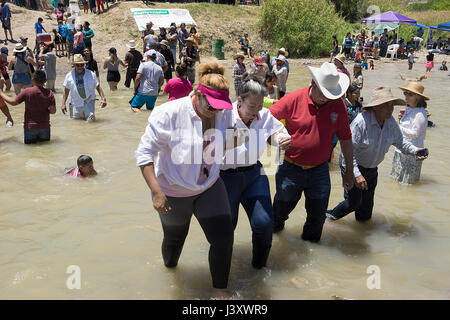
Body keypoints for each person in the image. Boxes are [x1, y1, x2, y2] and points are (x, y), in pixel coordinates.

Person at [134, 61, 237, 298]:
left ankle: (220, 292)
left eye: (221, 107)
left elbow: (228, 139)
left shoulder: (223, 110)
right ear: (197, 94)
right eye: (211, 106)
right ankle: (170, 275)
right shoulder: (168, 113)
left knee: (223, 239)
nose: (216, 111)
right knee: (174, 244)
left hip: (209, 185)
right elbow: (144, 154)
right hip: (173, 191)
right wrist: (157, 193)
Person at [269, 62, 354, 242]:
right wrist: (275, 136)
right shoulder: (293, 99)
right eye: (323, 93)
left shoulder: (338, 105)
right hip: (291, 168)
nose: (326, 98)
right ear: (313, 83)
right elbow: (266, 119)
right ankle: (274, 243)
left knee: (317, 217)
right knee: (279, 212)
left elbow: (346, 139)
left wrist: (350, 173)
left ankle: (311, 252)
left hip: (320, 170)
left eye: (330, 94)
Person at [221, 73, 291, 269]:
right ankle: (223, 272)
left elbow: (277, 132)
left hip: (254, 175)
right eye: (252, 106)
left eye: (260, 106)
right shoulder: (224, 115)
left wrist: (281, 141)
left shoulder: (265, 115)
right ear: (239, 100)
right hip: (225, 178)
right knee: (226, 227)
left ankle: (258, 270)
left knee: (264, 224)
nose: (256, 111)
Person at [326, 87, 428, 222]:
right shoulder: (361, 122)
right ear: (376, 107)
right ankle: (329, 218)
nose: (390, 109)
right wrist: (356, 174)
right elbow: (347, 153)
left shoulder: (391, 122)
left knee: (366, 214)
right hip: (352, 164)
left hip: (372, 169)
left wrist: (416, 151)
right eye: (386, 106)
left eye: (391, 105)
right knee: (354, 202)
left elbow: (400, 143)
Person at [0, 70, 56, 144]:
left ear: (32, 79)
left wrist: (1, 93)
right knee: (45, 148)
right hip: (44, 127)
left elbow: (13, 102)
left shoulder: (27, 92)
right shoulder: (50, 94)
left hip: (30, 127)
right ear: (45, 81)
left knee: (30, 150)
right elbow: (53, 111)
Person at [390, 82, 429, 185]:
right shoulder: (409, 109)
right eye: (405, 93)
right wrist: (400, 122)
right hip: (401, 149)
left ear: (418, 98)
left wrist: (397, 127)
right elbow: (405, 129)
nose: (406, 96)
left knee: (408, 184)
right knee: (397, 181)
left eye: (410, 94)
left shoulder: (420, 113)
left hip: (413, 153)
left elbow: (415, 134)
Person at [61, 54, 107, 122]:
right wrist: (63, 104)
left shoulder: (91, 74)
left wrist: (103, 99)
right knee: (76, 125)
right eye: (78, 65)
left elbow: (98, 87)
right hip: (75, 104)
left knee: (91, 123)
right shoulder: (69, 76)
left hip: (89, 103)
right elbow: (66, 91)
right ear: (74, 65)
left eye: (82, 64)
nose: (80, 67)